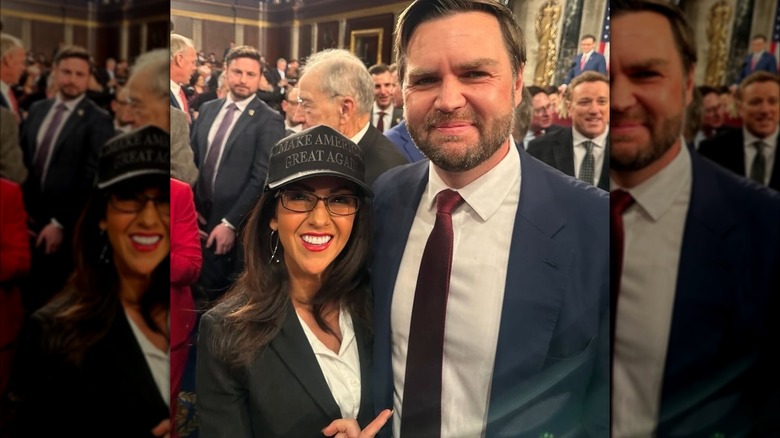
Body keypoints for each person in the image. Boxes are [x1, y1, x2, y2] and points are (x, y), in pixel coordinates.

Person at [371, 0, 609, 436]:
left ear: (518, 83)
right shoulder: (386, 198)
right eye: (424, 79)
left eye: (474, 74)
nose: (448, 99)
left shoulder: (598, 225)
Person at [610, 0, 780, 435]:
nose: (619, 99)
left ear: (688, 84)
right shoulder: (545, 208)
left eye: (646, 74)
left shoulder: (765, 227)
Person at [196, 125, 388, 436]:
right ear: (273, 215)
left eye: (339, 200)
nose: (320, 219)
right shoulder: (225, 330)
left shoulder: (378, 303)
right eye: (299, 197)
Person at [6, 125, 172, 437]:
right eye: (128, 198)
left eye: (163, 200)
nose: (149, 218)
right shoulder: (55, 333)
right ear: (102, 214)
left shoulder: (202, 320)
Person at [20, 45, 114, 312]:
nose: (72, 79)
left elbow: (92, 180)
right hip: (27, 222)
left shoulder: (98, 120)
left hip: (67, 230)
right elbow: (24, 162)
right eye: (67, 72)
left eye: (79, 74)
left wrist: (59, 222)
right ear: (55, 73)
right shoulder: (37, 109)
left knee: (53, 305)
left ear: (88, 78)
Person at [190, 45, 285, 300]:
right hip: (197, 219)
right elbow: (193, 161)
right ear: (226, 72)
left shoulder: (269, 119)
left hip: (236, 227)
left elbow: (262, 178)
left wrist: (230, 222)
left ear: (259, 78)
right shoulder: (209, 109)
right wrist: (190, 207)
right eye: (237, 72)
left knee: (219, 302)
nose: (243, 79)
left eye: (250, 74)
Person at [293, 48, 408, 186]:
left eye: (306, 104)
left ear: (344, 109)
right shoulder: (314, 152)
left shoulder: (388, 179)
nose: (297, 117)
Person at [528, 71, 610, 190]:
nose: (594, 110)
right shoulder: (539, 149)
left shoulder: (632, 150)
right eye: (584, 102)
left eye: (602, 102)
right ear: (569, 107)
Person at [699, 71, 779, 191]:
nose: (765, 110)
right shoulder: (712, 150)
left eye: (772, 101)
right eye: (755, 102)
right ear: (740, 108)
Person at [368, 63, 403, 133]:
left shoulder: (404, 116)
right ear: (369, 88)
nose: (383, 92)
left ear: (393, 86)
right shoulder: (362, 113)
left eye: (387, 85)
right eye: (377, 86)